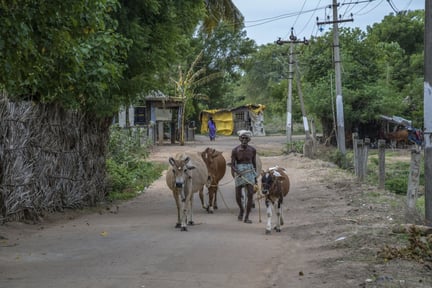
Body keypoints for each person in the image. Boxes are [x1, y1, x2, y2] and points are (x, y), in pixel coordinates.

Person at [230, 130, 257, 224]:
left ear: (249, 139)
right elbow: (233, 164)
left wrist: (255, 177)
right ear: (239, 139)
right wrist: (236, 171)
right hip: (239, 172)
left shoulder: (252, 150)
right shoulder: (235, 150)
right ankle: (241, 209)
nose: (244, 140)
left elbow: (254, 163)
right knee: (238, 195)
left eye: (246, 138)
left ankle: (247, 217)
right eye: (242, 138)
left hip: (249, 172)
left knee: (250, 194)